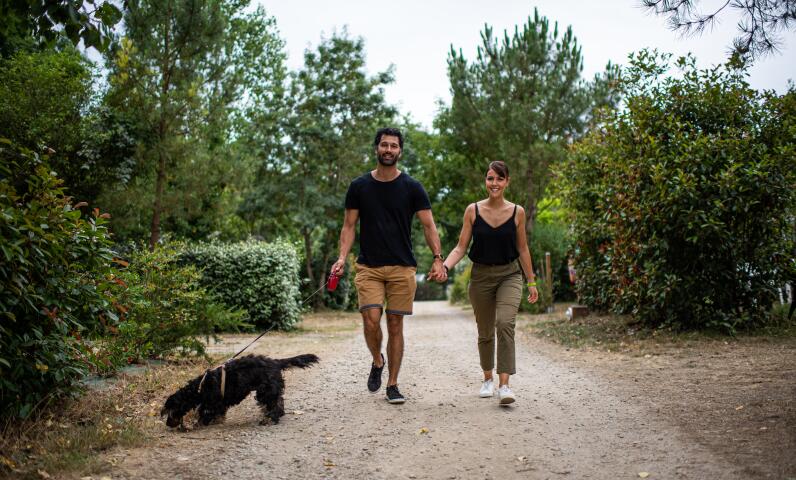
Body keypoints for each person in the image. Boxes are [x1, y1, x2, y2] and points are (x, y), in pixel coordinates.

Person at [330, 127, 445, 404]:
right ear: (376, 148)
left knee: (395, 324)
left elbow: (429, 225)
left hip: (402, 267)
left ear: (400, 151)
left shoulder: (412, 187)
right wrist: (342, 257)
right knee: (371, 320)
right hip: (368, 266)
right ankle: (377, 360)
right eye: (384, 145)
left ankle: (392, 384)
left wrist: (438, 257)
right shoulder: (359, 186)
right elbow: (348, 226)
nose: (389, 150)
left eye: (394, 146)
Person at [436, 161, 538, 405]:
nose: (495, 183)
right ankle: (487, 379)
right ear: (486, 181)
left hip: (509, 275)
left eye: (500, 179)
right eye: (491, 178)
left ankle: (505, 386)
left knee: (504, 323)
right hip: (480, 276)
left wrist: (531, 281)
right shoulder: (473, 211)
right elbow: (461, 247)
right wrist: (445, 266)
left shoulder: (517, 212)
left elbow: (523, 248)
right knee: (485, 331)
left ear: (507, 182)